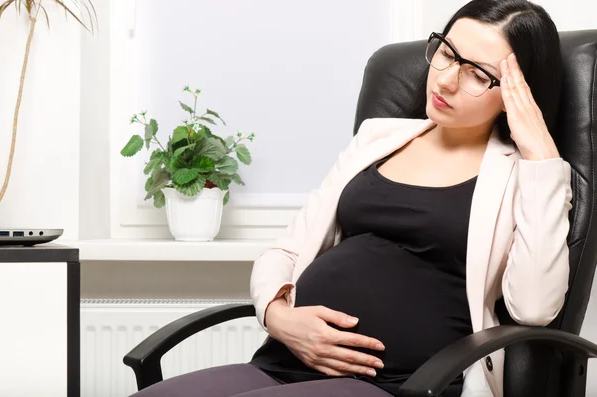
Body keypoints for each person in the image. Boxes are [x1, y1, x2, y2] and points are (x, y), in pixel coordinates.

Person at [130, 1, 572, 396]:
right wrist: (278, 317)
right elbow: (286, 248)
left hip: (403, 383)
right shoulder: (378, 138)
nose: (447, 80)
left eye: (478, 74)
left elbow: (533, 308)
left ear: (519, 95)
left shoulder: (524, 175)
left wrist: (541, 155)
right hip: (286, 361)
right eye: (446, 53)